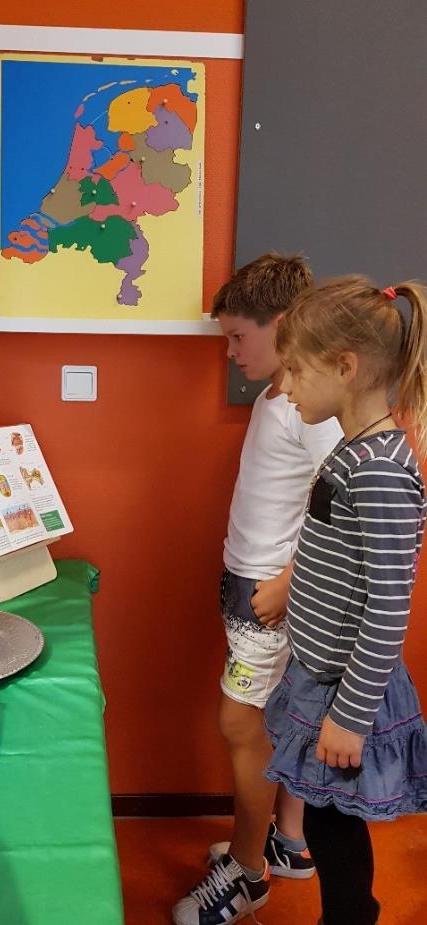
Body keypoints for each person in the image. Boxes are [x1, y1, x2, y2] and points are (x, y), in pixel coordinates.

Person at [173, 254, 343, 925]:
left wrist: (289, 582)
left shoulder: (311, 406)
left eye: (238, 336)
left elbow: (348, 505)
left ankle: (248, 873)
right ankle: (289, 841)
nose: (228, 350)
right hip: (253, 588)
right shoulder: (282, 394)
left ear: (283, 324)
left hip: (271, 596)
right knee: (281, 719)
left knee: (240, 725)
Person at [262, 276, 427, 925]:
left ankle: (351, 916)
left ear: (344, 366)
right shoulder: (354, 448)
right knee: (328, 823)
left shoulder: (381, 467)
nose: (285, 387)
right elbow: (339, 558)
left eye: (295, 371)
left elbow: (387, 605)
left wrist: (351, 716)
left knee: (334, 826)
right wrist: (293, 591)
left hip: (346, 692)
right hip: (317, 674)